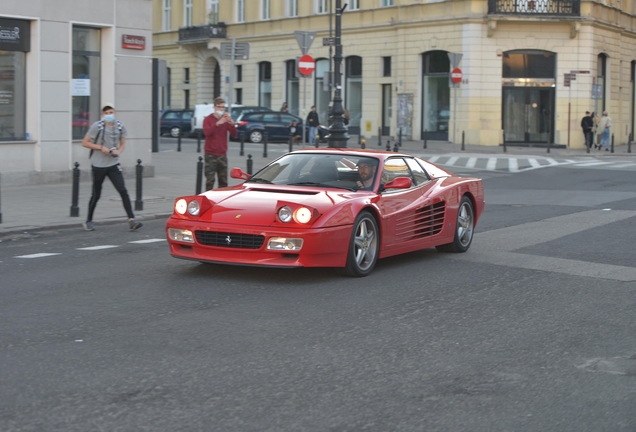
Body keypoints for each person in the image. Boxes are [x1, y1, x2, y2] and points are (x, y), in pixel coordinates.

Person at [81, 104, 142, 232]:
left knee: (123, 190)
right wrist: (100, 147)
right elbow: (85, 142)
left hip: (113, 164)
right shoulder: (97, 126)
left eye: (112, 112)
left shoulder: (120, 126)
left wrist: (118, 151)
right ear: (103, 115)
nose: (110, 115)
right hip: (98, 165)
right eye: (107, 113)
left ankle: (131, 220)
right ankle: (88, 220)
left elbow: (122, 143)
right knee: (96, 194)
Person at [203, 97, 238, 190]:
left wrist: (232, 124)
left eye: (223, 107)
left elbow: (234, 135)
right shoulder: (208, 119)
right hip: (210, 154)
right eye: (219, 107)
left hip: (222, 154)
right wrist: (217, 124)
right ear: (214, 107)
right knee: (210, 180)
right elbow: (207, 132)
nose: (221, 109)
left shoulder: (225, 119)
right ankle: (208, 199)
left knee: (223, 181)